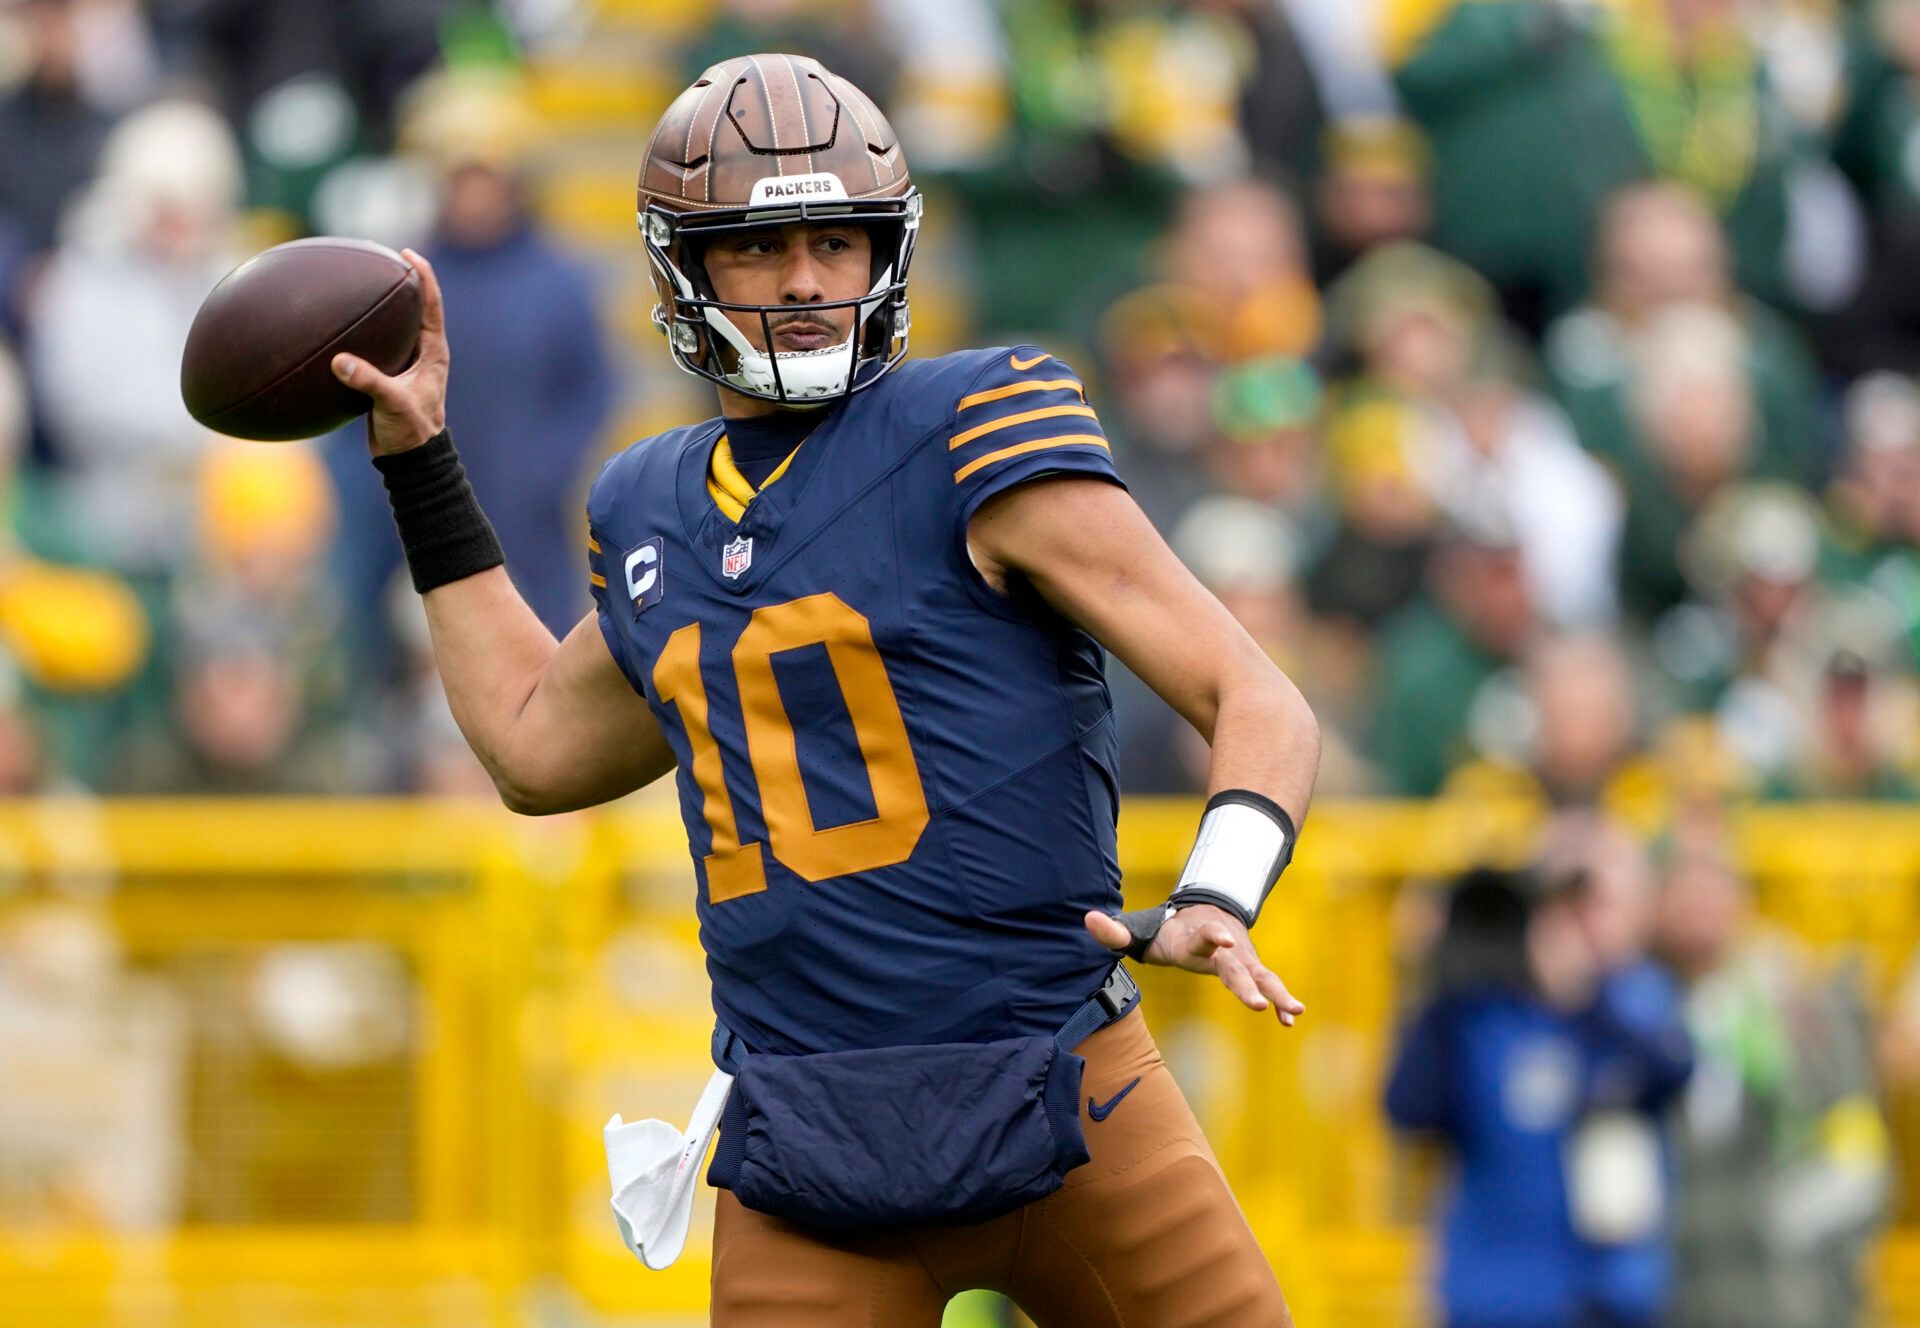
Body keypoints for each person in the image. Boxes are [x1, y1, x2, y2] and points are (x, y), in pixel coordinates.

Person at [327, 53, 1320, 1327]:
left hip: (1064, 1083)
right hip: (807, 1137)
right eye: (760, 246)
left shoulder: (975, 425)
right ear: (687, 264)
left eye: (838, 242)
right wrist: (421, 464)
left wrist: (1219, 891)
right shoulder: (649, 507)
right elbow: (531, 749)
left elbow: (1257, 694)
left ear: (886, 253)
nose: (804, 279)